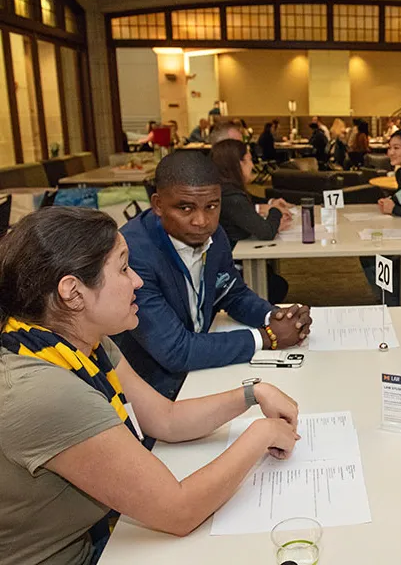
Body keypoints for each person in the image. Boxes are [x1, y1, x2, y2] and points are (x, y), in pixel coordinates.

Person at [0, 206, 300, 565]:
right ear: (73, 292)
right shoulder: (46, 391)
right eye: (124, 268)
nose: (137, 281)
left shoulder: (76, 341)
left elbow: (165, 418)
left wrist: (252, 393)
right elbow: (179, 511)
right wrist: (259, 435)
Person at [112, 150, 311, 400]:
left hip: (201, 368)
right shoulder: (134, 254)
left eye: (212, 206)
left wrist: (277, 316)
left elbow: (233, 294)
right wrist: (267, 336)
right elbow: (176, 351)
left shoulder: (215, 237)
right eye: (185, 208)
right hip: (154, 389)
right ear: (158, 205)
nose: (202, 221)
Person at [210, 139, 291, 302]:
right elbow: (266, 232)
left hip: (222, 259)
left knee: (271, 276)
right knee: (276, 285)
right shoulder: (232, 197)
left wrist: (269, 208)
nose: (253, 165)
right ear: (238, 163)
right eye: (249, 159)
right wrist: (275, 210)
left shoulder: (221, 189)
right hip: (230, 266)